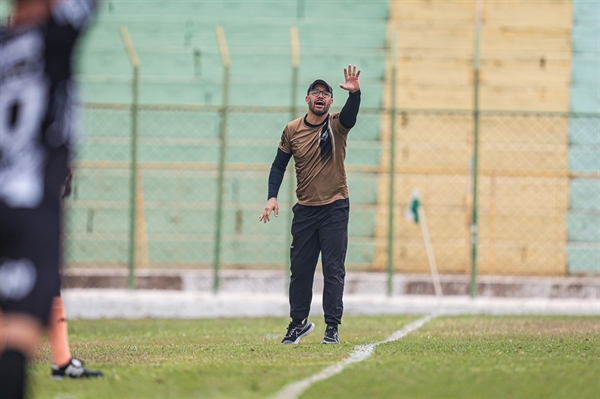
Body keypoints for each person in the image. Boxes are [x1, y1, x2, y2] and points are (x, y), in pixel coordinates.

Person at [0, 0, 98, 397]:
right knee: (19, 329)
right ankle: (59, 361)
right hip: (29, 201)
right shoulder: (50, 37)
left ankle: (62, 358)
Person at [259, 65, 361, 345]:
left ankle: (332, 327)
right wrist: (272, 196)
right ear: (307, 99)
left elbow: (351, 116)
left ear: (330, 101)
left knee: (333, 268)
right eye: (315, 92)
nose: (320, 96)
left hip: (335, 207)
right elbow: (279, 165)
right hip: (305, 209)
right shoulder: (292, 130)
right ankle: (297, 323)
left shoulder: (337, 125)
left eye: (325, 93)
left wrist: (355, 94)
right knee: (301, 269)